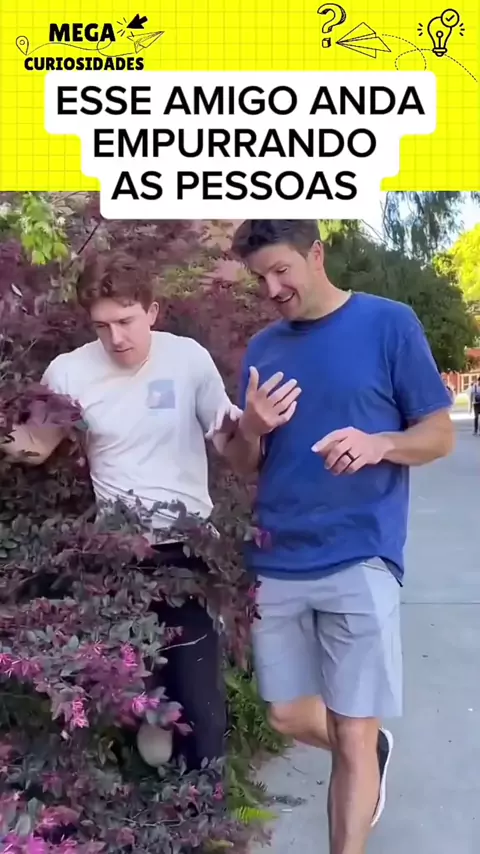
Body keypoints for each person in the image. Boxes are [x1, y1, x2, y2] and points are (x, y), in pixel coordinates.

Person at [220, 220, 454, 854]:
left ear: (316, 254)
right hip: (277, 556)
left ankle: (360, 758)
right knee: (285, 714)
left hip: (361, 554)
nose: (272, 289)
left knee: (351, 733)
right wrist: (251, 428)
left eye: (281, 271)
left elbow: (439, 435)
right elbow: (245, 464)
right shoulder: (264, 347)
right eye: (260, 278)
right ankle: (372, 747)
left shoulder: (388, 323)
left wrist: (380, 444)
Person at [0, 251, 239, 773]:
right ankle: (153, 774)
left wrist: (259, 427)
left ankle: (206, 797)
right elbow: (37, 445)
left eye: (126, 321)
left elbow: (230, 439)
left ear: (152, 311)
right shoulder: (70, 371)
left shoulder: (187, 360)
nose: (116, 338)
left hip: (186, 550)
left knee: (197, 697)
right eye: (102, 326)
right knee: (131, 691)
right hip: (115, 555)